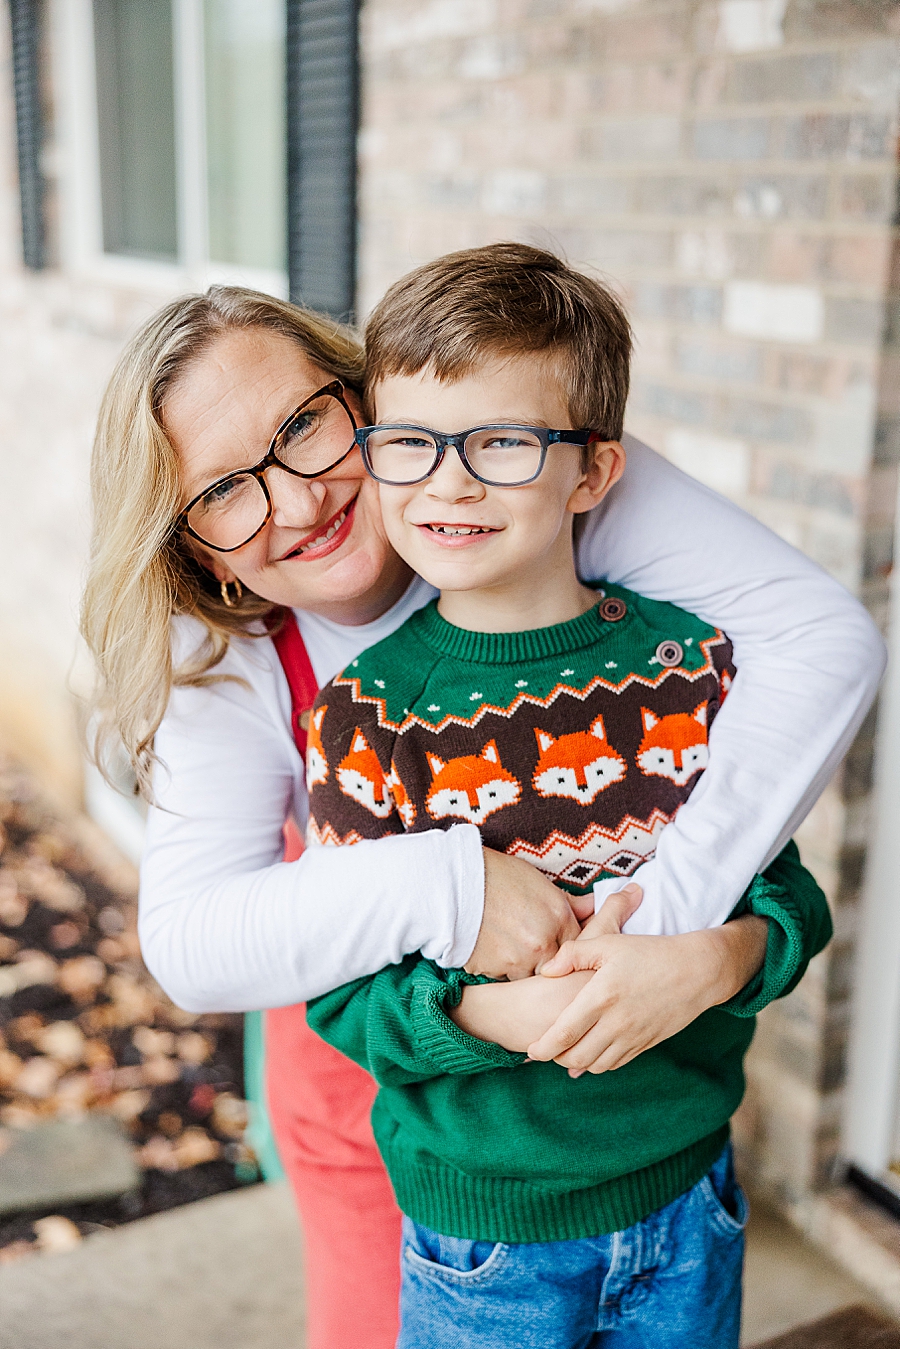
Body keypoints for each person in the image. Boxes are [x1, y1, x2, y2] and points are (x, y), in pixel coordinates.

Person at [80, 281, 882, 1349]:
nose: (301, 497)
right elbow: (193, 944)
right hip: (392, 1082)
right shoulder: (233, 660)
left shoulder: (531, 483)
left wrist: (685, 939)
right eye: (227, 487)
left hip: (652, 1139)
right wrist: (452, 886)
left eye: (305, 428)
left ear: (366, 394)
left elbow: (817, 643)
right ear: (195, 546)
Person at [303, 244, 833, 1346]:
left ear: (592, 472)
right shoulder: (369, 716)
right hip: (482, 1238)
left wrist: (721, 957)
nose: (447, 482)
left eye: (502, 442)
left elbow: (787, 895)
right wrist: (484, 1013)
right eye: (408, 443)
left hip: (687, 1195)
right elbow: (340, 988)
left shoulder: (696, 671)